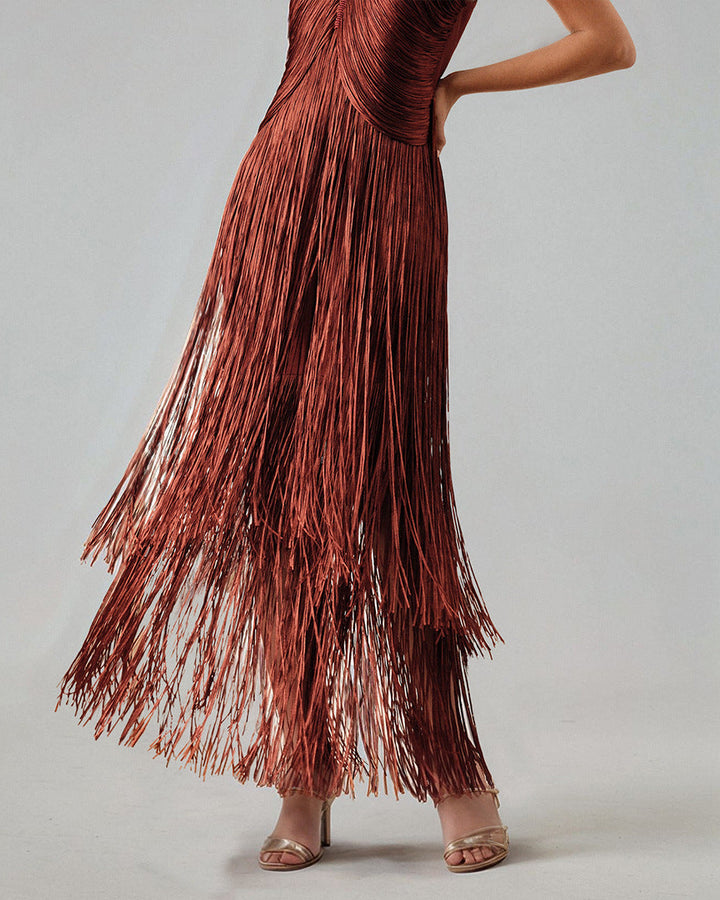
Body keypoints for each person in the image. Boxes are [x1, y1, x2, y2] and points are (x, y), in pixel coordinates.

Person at [56, 0, 635, 876]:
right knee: (275, 489)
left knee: (392, 488)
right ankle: (304, 765)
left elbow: (608, 44)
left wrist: (455, 88)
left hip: (385, 203)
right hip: (275, 197)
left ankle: (450, 762)